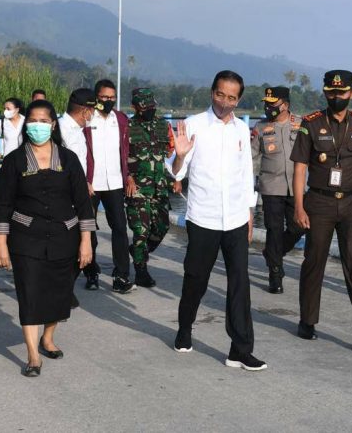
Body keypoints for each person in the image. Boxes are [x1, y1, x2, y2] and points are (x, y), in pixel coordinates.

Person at [171, 70, 267, 371]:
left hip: (236, 219)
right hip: (204, 218)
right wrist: (179, 155)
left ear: (239, 99)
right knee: (196, 279)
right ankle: (185, 328)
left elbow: (246, 174)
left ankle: (240, 349)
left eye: (232, 97)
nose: (225, 102)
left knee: (240, 282)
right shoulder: (194, 125)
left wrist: (250, 212)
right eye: (220, 94)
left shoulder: (241, 128)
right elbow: (176, 173)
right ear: (212, 92)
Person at [0, 100, 94, 377]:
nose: (38, 126)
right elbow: (3, 204)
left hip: (65, 236)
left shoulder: (68, 159)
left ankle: (47, 338)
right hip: (26, 237)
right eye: (33, 121)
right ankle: (33, 355)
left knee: (59, 293)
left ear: (53, 124)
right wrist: (1, 242)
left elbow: (83, 203)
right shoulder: (15, 160)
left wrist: (86, 241)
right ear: (27, 125)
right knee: (30, 293)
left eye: (43, 121)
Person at [291, 70, 352, 351]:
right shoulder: (311, 124)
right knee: (314, 261)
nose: (336, 97)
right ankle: (307, 321)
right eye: (331, 92)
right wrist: (299, 206)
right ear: (325, 93)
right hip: (319, 202)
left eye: (341, 93)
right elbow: (300, 167)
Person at [251, 86, 305, 294]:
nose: (268, 108)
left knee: (298, 227)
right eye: (266, 104)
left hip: (298, 187)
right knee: (273, 229)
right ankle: (275, 273)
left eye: (273, 104)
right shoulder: (261, 127)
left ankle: (273, 254)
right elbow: (253, 157)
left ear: (286, 105)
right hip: (271, 186)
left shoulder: (301, 124)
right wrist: (250, 184)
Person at [83, 79, 134, 293]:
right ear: (96, 97)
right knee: (89, 229)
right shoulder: (86, 119)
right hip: (91, 183)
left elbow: (127, 151)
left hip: (114, 183)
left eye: (112, 97)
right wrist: (83, 180)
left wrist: (129, 177)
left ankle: (121, 276)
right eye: (104, 97)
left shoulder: (120, 119)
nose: (108, 101)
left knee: (120, 229)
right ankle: (91, 272)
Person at [126, 88, 175, 288]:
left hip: (160, 187)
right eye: (144, 106)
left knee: (161, 228)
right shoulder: (127, 128)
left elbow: (170, 153)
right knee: (141, 230)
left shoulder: (164, 126)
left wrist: (175, 177)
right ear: (135, 107)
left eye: (151, 106)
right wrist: (127, 177)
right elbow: (120, 158)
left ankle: (139, 250)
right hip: (137, 187)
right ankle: (141, 270)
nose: (149, 110)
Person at [60, 88, 102, 288]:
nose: (93, 115)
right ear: (86, 111)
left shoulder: (78, 130)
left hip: (80, 194)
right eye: (93, 111)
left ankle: (64, 289)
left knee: (88, 243)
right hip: (66, 198)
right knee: (74, 244)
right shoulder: (61, 130)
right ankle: (60, 289)